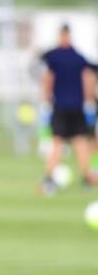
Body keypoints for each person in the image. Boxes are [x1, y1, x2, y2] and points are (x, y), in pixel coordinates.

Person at [40, 24, 97, 193]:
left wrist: (46, 97)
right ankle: (85, 179)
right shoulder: (78, 57)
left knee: (60, 141)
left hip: (62, 106)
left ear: (61, 35)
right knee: (78, 141)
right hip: (76, 106)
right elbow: (88, 77)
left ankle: (50, 179)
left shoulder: (54, 56)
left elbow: (48, 78)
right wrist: (89, 99)